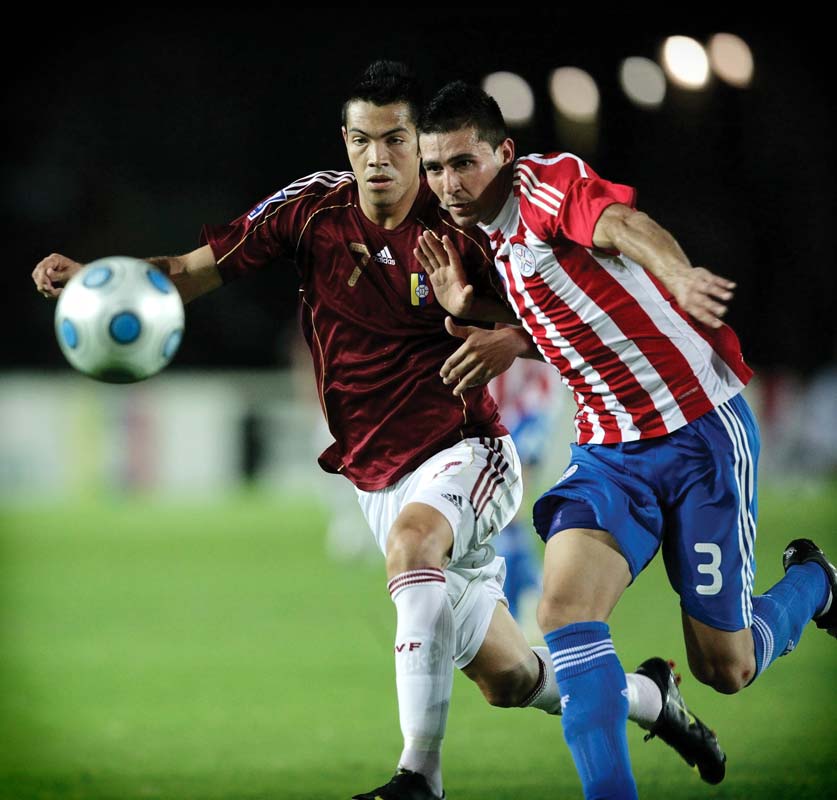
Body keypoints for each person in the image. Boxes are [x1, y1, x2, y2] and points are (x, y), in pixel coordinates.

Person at [32, 62, 725, 800]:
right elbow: (188, 271)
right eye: (362, 140)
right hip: (375, 476)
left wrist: (504, 334)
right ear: (345, 140)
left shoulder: (461, 224)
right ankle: (652, 698)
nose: (378, 158)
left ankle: (417, 778)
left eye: (395, 140)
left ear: (417, 142)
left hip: (466, 450)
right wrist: (100, 279)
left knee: (413, 546)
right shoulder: (310, 210)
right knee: (510, 677)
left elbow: (561, 314)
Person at [415, 81, 836, 800]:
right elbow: (569, 320)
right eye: (435, 168)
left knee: (726, 667)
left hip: (699, 434)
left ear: (503, 154)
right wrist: (475, 309)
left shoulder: (546, 187)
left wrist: (677, 272)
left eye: (463, 163)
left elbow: (619, 224)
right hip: (610, 454)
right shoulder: (488, 239)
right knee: (562, 612)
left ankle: (816, 582)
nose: (448, 183)